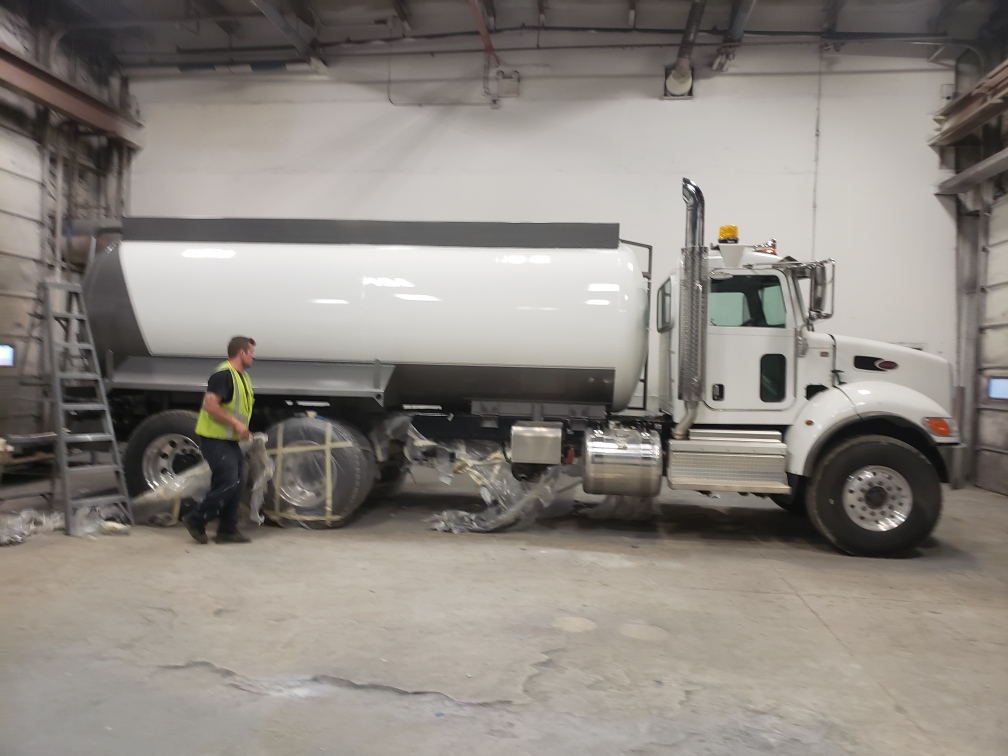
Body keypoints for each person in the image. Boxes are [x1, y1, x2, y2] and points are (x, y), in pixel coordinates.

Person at [183, 336, 256, 545]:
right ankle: (196, 519)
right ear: (242, 353)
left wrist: (242, 429)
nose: (254, 356)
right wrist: (236, 424)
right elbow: (210, 405)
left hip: (228, 439)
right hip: (214, 438)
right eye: (251, 352)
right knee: (228, 481)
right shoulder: (223, 374)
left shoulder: (242, 377)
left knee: (238, 481)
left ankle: (227, 530)